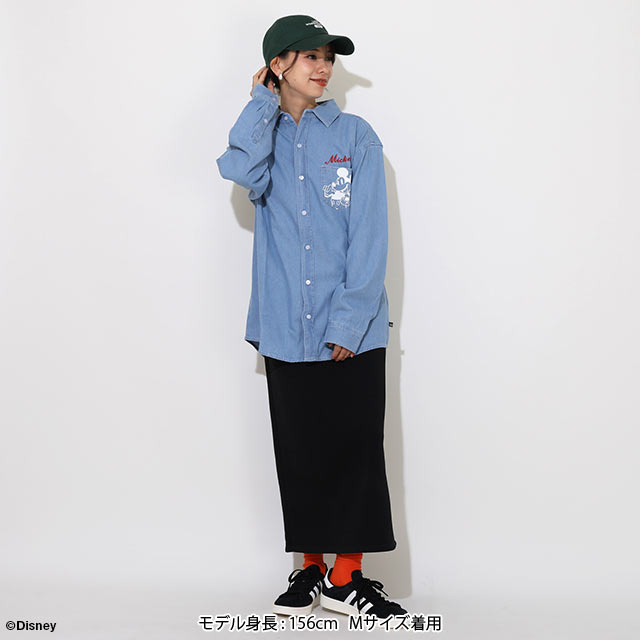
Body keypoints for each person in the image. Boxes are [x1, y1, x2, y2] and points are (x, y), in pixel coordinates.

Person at [216, 14, 406, 620]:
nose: (323, 68)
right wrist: (260, 104)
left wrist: (348, 322)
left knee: (354, 448)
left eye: (328, 57)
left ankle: (349, 575)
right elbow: (240, 172)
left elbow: (369, 237)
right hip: (284, 324)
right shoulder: (263, 135)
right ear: (278, 65)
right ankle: (310, 569)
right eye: (309, 57)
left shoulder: (355, 136)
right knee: (299, 452)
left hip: (350, 325)